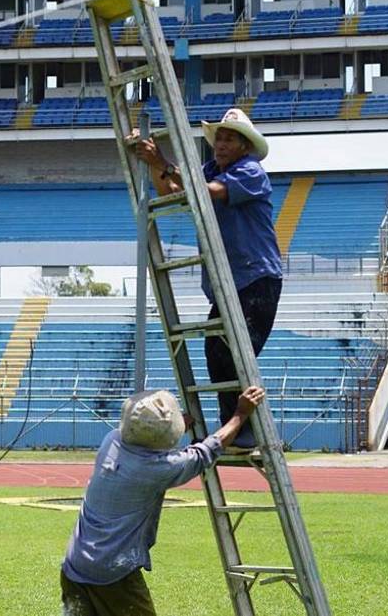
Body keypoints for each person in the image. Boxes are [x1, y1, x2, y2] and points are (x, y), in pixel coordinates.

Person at [130, 108, 282, 450]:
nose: (221, 144)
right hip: (229, 283)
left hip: (256, 278)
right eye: (220, 138)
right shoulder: (211, 170)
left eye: (230, 138)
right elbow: (173, 190)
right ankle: (237, 428)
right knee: (216, 353)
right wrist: (155, 164)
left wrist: (164, 162)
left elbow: (206, 191)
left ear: (245, 146)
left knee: (232, 355)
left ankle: (245, 429)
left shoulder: (251, 172)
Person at [60, 386, 266, 616]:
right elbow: (207, 451)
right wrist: (241, 413)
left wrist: (171, 428)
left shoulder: (112, 440)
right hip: (112, 572)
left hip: (74, 563)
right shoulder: (156, 468)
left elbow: (148, 443)